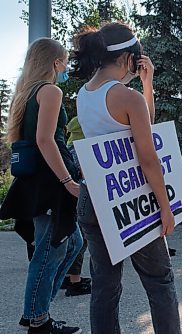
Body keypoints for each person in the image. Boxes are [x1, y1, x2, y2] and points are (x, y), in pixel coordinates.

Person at [73, 22, 180, 333]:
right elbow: (147, 157)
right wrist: (165, 205)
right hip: (131, 202)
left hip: (93, 198)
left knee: (105, 289)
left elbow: (134, 127)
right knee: (160, 282)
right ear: (127, 57)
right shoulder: (126, 97)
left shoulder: (83, 94)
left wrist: (145, 85)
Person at [0, 38, 83, 333]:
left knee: (73, 241)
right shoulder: (50, 90)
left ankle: (37, 308)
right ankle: (38, 319)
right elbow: (45, 140)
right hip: (50, 181)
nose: (67, 67)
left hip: (37, 180)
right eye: (64, 61)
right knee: (51, 249)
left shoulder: (25, 92)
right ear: (54, 62)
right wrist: (67, 181)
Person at [63, 117, 91, 296]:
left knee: (73, 239)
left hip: (68, 199)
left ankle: (67, 276)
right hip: (80, 198)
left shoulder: (70, 147)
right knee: (82, 239)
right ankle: (75, 281)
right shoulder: (83, 149)